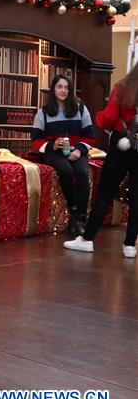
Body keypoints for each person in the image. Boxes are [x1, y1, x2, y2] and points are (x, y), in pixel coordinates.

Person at [64, 64, 138, 258]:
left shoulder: (123, 88)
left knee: (105, 193)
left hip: (120, 146)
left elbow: (108, 118)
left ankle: (87, 240)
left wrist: (99, 117)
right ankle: (130, 245)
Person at [30, 74, 95, 236]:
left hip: (76, 151)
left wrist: (79, 150)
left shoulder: (80, 108)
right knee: (66, 170)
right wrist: (53, 145)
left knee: (81, 172)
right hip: (54, 153)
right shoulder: (43, 112)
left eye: (67, 87)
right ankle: (73, 211)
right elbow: (35, 141)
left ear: (70, 90)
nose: (63, 90)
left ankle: (81, 218)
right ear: (53, 89)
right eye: (59, 87)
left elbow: (89, 136)